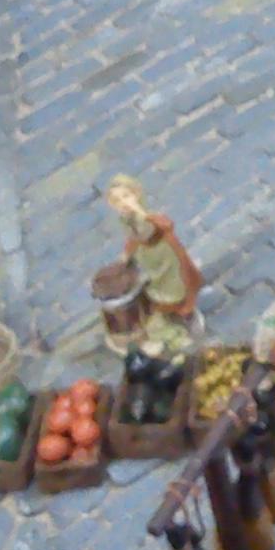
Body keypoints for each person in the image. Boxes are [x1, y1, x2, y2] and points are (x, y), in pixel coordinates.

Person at [100, 175, 205, 425]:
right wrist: (126, 256)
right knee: (154, 292)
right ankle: (167, 322)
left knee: (173, 290)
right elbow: (133, 239)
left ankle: (182, 319)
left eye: (126, 196)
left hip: (165, 259)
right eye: (117, 201)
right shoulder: (127, 220)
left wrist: (139, 212)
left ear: (136, 194)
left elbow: (157, 227)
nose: (123, 203)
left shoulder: (146, 216)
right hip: (149, 260)